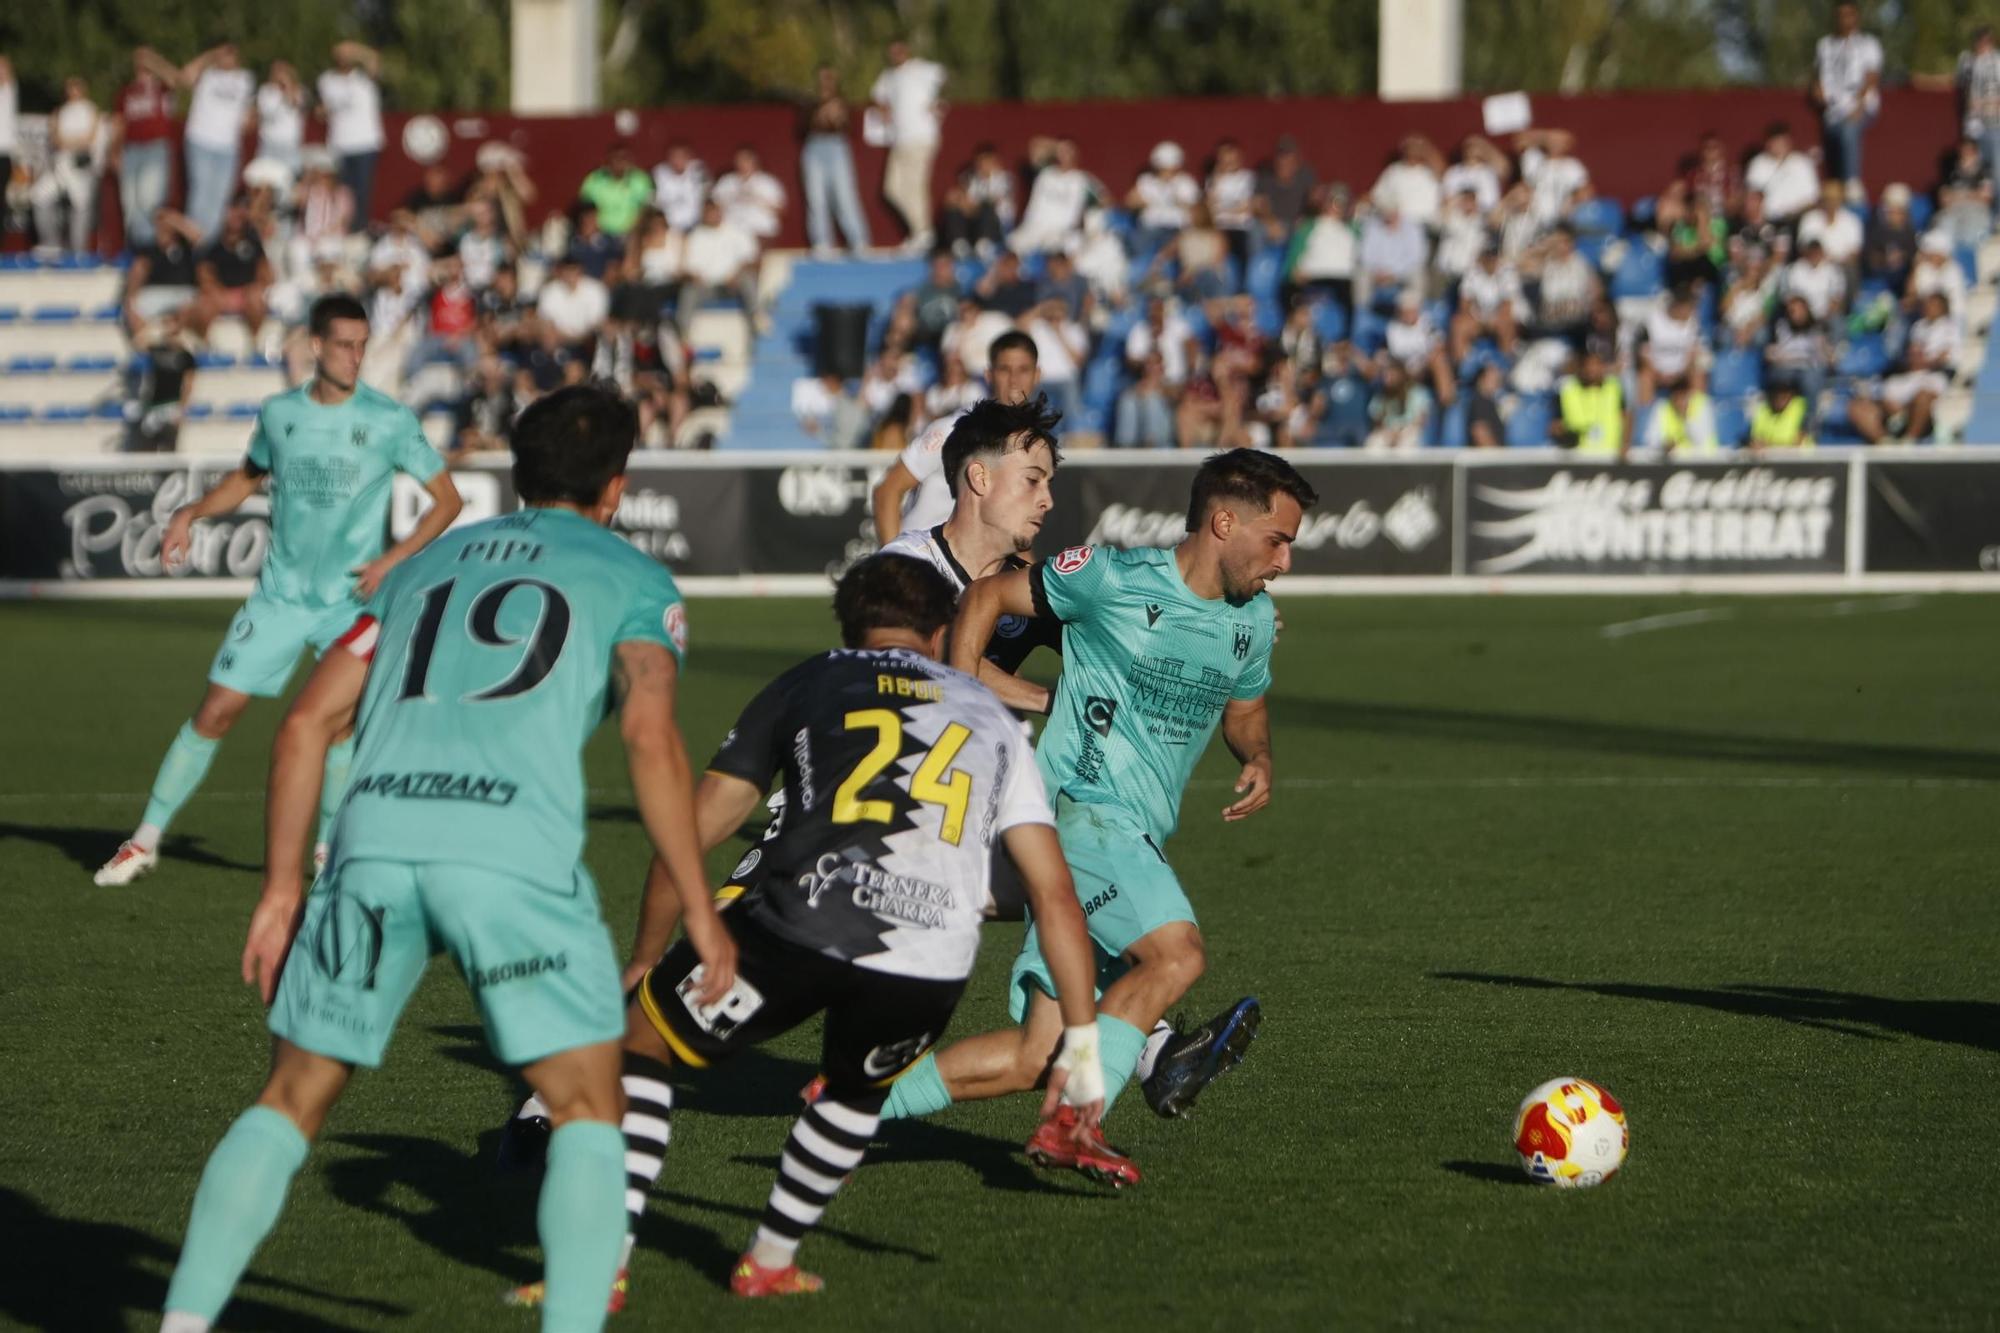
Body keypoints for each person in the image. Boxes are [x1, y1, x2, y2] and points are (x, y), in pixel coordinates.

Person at [156, 383, 727, 1333]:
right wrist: (700, 912)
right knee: (589, 1105)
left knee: (292, 1096)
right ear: (616, 488)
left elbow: (304, 723)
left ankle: (181, 1324)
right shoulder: (633, 579)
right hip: (512, 854)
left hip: (375, 842)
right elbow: (652, 743)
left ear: (517, 470)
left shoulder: (422, 566)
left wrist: (283, 886)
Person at [506, 550, 1106, 1308]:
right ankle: (768, 1260)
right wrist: (1081, 1046)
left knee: (641, 1039)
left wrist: (647, 957)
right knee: (856, 1090)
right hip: (928, 963)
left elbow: (694, 831)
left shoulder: (814, 678)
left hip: (796, 924)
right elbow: (1055, 895)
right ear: (943, 626)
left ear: (847, 626)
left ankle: (603, 1264)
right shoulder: (995, 718)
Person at [869, 449, 1312, 1181]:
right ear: (1223, 521)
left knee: (1035, 1051)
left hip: (1132, 832)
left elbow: (1247, 709)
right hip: (1080, 811)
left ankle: (847, 1110)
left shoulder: (1253, 621)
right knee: (1176, 955)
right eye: (1278, 539)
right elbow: (982, 600)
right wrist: (962, 699)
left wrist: (1256, 756)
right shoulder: (1111, 578)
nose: (1286, 560)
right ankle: (1074, 1121)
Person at [93, 295, 464, 888]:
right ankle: (143, 843)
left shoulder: (390, 419)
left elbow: (448, 500)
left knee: (341, 728)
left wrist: (393, 560)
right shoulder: (279, 414)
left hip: (352, 604)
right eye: (344, 344)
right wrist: (191, 512)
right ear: (315, 346)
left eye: (363, 344)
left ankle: (324, 853)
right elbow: (245, 479)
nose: (355, 356)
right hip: (280, 599)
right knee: (216, 711)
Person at [871, 329, 1039, 542]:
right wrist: (893, 566)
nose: (1014, 380)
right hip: (921, 565)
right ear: (988, 375)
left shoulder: (1029, 445)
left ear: (1037, 375)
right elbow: (887, 491)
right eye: (1004, 369)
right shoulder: (953, 429)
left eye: (1023, 370)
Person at [1850, 290, 1958, 443]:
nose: (1929, 308)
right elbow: (1912, 353)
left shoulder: (1951, 327)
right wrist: (1917, 359)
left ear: (1943, 307)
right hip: (1909, 376)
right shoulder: (1918, 326)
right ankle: (1885, 442)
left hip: (1932, 376)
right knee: (1859, 404)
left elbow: (1945, 357)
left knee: (1923, 396)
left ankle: (1909, 440)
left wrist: (1925, 360)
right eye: (1927, 304)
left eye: (1933, 305)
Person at [872, 39, 946, 251]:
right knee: (892, 189)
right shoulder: (888, 76)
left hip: (922, 136)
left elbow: (947, 79)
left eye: (900, 50)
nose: (896, 54)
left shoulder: (922, 68)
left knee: (916, 186)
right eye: (892, 51)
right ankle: (922, 231)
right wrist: (883, 109)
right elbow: (878, 96)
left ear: (907, 50)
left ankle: (922, 234)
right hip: (899, 140)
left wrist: (939, 101)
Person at [1811, 1, 1882, 199]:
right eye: (1841, 15)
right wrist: (1818, 91)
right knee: (1832, 136)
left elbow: (1872, 76)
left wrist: (1858, 104)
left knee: (1848, 130)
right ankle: (1835, 188)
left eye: (1849, 14)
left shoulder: (1868, 43)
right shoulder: (1825, 44)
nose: (1845, 19)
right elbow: (1817, 76)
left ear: (1856, 17)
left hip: (1859, 105)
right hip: (1832, 108)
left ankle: (1852, 184)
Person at [800, 64, 870, 256]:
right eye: (822, 77)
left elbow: (849, 127)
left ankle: (858, 241)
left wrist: (836, 118)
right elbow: (802, 127)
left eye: (829, 77)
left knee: (845, 194)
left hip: (837, 146)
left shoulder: (843, 101)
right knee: (816, 197)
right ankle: (821, 242)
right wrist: (820, 115)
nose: (826, 81)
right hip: (814, 146)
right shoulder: (809, 101)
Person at [112, 49, 177, 250]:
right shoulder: (127, 92)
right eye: (140, 67)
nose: (143, 70)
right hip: (131, 150)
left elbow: (176, 79)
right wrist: (114, 151)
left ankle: (150, 249)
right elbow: (119, 123)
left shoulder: (162, 88)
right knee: (130, 202)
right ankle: (137, 247)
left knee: (150, 200)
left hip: (155, 148)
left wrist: (154, 60)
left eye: (146, 68)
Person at [31, 76, 102, 256]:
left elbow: (89, 139)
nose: (72, 91)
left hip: (79, 166)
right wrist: (68, 140)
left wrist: (68, 142)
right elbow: (56, 141)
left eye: (76, 87)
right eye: (69, 87)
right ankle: (51, 243)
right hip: (60, 165)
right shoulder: (61, 112)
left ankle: (79, 251)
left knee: (80, 205)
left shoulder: (90, 109)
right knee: (39, 196)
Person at [318, 42, 384, 230]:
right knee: (344, 194)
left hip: (365, 143)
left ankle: (360, 231)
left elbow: (375, 61)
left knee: (362, 192)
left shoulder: (364, 78)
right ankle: (343, 230)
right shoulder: (327, 80)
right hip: (340, 144)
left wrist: (357, 51)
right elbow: (326, 108)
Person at [1554, 347, 1625, 456]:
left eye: (1597, 364)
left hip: (1611, 454)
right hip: (1578, 456)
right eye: (1588, 365)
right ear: (1581, 368)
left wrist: (1625, 444)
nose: (1592, 369)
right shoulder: (1567, 389)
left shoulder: (1615, 387)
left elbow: (1626, 416)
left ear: (1603, 366)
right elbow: (1556, 425)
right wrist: (1562, 432)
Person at [577, 141, 653, 239]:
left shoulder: (641, 180)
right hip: (601, 233)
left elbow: (647, 209)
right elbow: (585, 209)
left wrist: (637, 230)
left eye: (624, 159)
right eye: (616, 158)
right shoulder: (595, 180)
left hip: (632, 234)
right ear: (608, 160)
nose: (620, 163)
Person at [1115, 351, 1177, 448]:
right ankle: (1126, 448)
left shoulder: (1170, 386)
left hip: (1162, 438)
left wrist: (1154, 388)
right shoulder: (1136, 388)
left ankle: (1150, 447)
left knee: (1153, 402)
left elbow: (1174, 396)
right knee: (1128, 401)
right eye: (1148, 363)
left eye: (1155, 363)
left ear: (1162, 366)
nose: (1151, 367)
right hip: (1138, 434)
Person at [255, 61, 305, 175]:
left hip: (289, 144)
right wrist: (277, 92)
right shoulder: (265, 90)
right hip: (269, 142)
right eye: (276, 71)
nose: (279, 74)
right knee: (267, 177)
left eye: (282, 71)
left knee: (288, 177)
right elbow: (267, 113)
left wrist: (287, 87)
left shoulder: (298, 90)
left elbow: (294, 103)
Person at [649, 142, 707, 234]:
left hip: (695, 226)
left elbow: (707, 198)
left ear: (689, 157)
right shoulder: (658, 174)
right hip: (667, 229)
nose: (677, 160)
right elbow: (651, 203)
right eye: (674, 157)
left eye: (681, 156)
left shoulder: (698, 171)